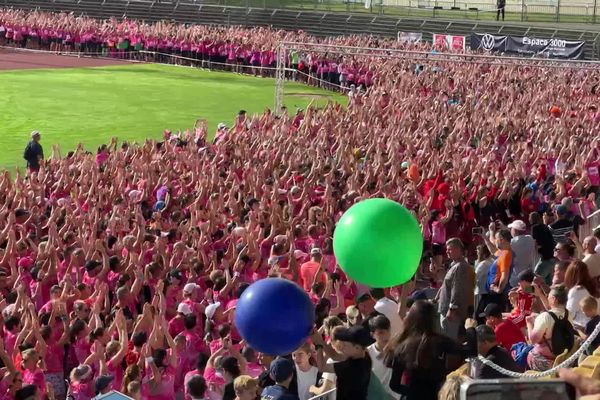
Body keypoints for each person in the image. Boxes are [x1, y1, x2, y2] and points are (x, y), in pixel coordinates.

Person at [384, 300, 462, 400]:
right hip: (439, 395)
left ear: (411, 318)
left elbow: (394, 385)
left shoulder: (402, 346)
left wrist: (414, 393)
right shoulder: (446, 343)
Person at [311, 325, 372, 400]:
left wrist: (319, 345)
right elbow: (334, 355)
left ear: (357, 347)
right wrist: (320, 341)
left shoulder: (350, 368)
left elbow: (322, 367)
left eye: (345, 345)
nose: (341, 347)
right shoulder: (365, 356)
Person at [527, 286, 575, 371]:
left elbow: (533, 340)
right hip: (563, 359)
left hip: (547, 361)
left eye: (548, 296)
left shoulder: (545, 317)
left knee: (526, 353)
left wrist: (529, 323)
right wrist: (540, 294)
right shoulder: (569, 314)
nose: (547, 298)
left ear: (553, 299)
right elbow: (553, 313)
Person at [436, 238, 475, 340]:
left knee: (450, 341)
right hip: (446, 309)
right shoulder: (454, 266)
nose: (447, 252)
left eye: (450, 249)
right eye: (447, 249)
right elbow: (446, 285)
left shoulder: (461, 267)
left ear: (458, 250)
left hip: (453, 314)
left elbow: (457, 289)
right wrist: (436, 299)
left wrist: (452, 309)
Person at [367, 315, 399, 400]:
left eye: (387, 330)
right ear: (372, 335)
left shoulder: (398, 350)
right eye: (381, 332)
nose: (386, 335)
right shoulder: (367, 354)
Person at [564, 260, 599, 330]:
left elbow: (569, 315)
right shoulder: (592, 287)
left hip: (584, 329)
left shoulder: (576, 291)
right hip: (595, 326)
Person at [507, 220, 536, 288]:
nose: (510, 230)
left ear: (515, 231)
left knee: (516, 297)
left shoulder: (512, 243)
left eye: (511, 229)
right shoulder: (530, 238)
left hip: (515, 280)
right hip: (529, 277)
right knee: (529, 294)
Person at [530, 212, 556, 285]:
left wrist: (524, 291)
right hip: (551, 257)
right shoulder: (544, 226)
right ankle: (547, 295)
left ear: (531, 219)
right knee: (547, 281)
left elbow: (535, 242)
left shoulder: (534, 227)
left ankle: (527, 293)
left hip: (545, 259)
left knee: (535, 282)